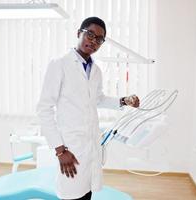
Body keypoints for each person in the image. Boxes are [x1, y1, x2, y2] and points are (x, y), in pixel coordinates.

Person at [37, 17, 140, 200]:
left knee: (87, 193)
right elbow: (44, 109)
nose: (93, 41)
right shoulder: (59, 64)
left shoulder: (96, 71)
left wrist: (124, 100)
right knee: (71, 195)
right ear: (79, 33)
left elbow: (98, 99)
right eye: (90, 34)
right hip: (70, 148)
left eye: (99, 39)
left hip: (90, 146)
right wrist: (60, 150)